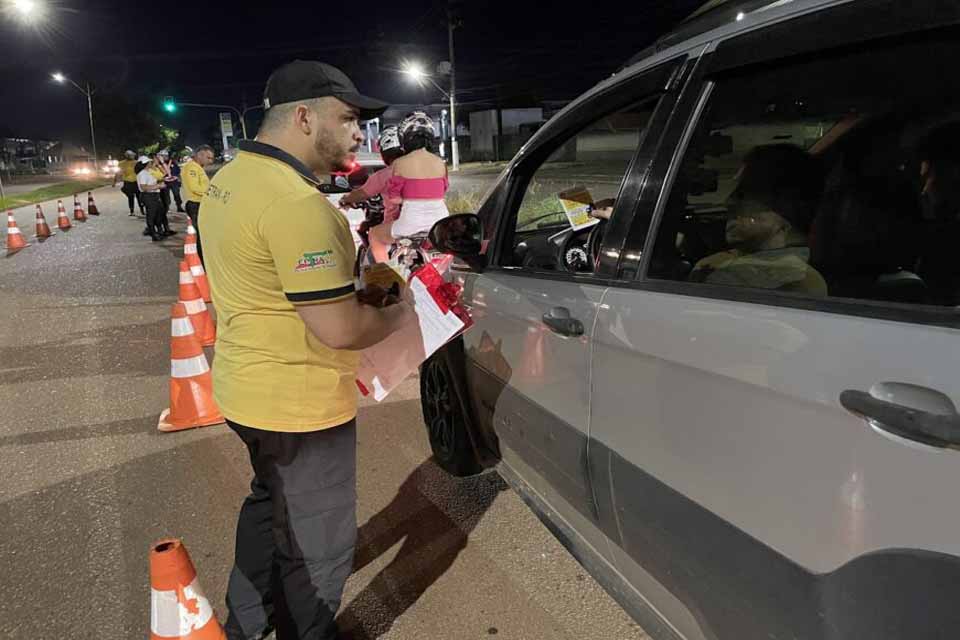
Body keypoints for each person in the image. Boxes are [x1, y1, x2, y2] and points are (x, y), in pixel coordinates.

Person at [199, 60, 418, 640]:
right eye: (347, 118)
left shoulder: (230, 178)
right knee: (317, 548)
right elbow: (341, 330)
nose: (358, 134)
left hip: (245, 389)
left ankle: (244, 624)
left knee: (269, 505)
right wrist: (403, 311)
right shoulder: (297, 204)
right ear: (302, 117)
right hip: (298, 406)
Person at [689, 144, 828, 295]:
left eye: (744, 193)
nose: (728, 202)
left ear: (786, 207)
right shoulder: (726, 263)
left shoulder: (797, 282)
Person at [368, 111, 450, 252]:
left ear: (405, 139)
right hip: (441, 221)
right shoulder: (441, 163)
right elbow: (443, 190)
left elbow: (394, 198)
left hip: (410, 224)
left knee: (374, 235)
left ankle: (383, 273)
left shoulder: (399, 163)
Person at [338, 125, 405, 261]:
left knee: (375, 235)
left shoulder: (384, 175)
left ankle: (383, 270)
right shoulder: (421, 170)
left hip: (399, 225)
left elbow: (361, 193)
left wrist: (346, 199)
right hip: (432, 222)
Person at [182, 145, 215, 265]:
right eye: (208, 157)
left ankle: (206, 258)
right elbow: (194, 187)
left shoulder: (197, 167)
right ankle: (204, 262)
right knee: (202, 235)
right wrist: (210, 192)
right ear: (200, 155)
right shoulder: (191, 167)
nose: (210, 161)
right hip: (195, 204)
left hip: (200, 203)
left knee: (204, 233)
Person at [137, 156, 165, 241]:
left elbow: (162, 175)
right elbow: (143, 187)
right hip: (148, 196)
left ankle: (158, 231)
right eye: (149, 162)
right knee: (151, 215)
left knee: (160, 213)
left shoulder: (149, 172)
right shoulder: (142, 174)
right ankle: (153, 234)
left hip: (155, 195)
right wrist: (158, 186)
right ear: (146, 164)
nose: (151, 163)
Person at [150, 152, 175, 236]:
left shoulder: (158, 167)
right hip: (156, 192)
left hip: (163, 189)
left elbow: (167, 172)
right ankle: (158, 229)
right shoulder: (149, 169)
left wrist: (163, 163)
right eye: (158, 158)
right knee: (159, 211)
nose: (160, 159)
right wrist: (160, 181)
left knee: (165, 208)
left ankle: (166, 229)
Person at [119, 150, 145, 216]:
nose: (133, 156)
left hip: (136, 182)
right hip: (127, 182)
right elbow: (119, 172)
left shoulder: (137, 162)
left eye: (133, 155)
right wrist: (115, 181)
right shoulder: (122, 163)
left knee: (139, 196)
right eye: (131, 155)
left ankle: (142, 210)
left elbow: (141, 171)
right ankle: (131, 211)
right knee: (130, 197)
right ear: (127, 156)